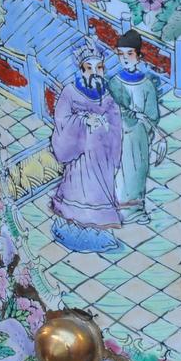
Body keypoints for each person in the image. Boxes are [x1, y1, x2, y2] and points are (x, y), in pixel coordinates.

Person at [48, 40, 124, 252]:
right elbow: (62, 121)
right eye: (89, 68)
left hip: (101, 159)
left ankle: (99, 233)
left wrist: (107, 126)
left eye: (99, 68)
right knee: (76, 193)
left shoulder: (107, 96)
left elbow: (116, 123)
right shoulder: (70, 93)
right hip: (79, 158)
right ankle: (70, 229)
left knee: (100, 195)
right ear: (81, 70)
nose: (95, 72)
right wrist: (83, 121)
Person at [107, 28, 163, 219]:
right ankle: (119, 209)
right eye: (121, 54)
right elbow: (112, 109)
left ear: (138, 56)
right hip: (120, 133)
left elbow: (152, 114)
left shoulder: (146, 84)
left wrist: (144, 126)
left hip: (140, 136)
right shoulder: (114, 83)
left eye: (129, 53)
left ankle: (137, 210)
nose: (125, 58)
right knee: (120, 172)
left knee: (138, 171)